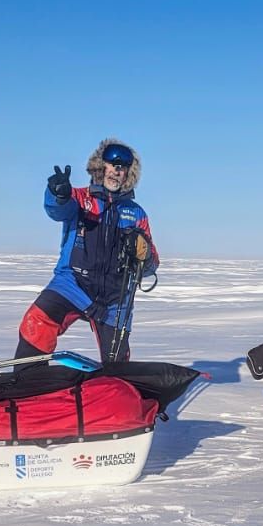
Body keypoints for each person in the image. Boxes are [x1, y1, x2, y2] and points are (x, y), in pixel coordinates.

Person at [16, 138, 159, 363]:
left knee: (117, 364)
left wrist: (144, 254)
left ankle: (116, 390)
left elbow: (152, 265)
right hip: (72, 285)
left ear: (128, 174)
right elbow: (57, 210)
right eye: (112, 165)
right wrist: (58, 194)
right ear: (100, 167)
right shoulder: (81, 199)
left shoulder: (137, 214)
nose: (116, 172)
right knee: (37, 321)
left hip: (115, 299)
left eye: (122, 169)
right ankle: (25, 382)